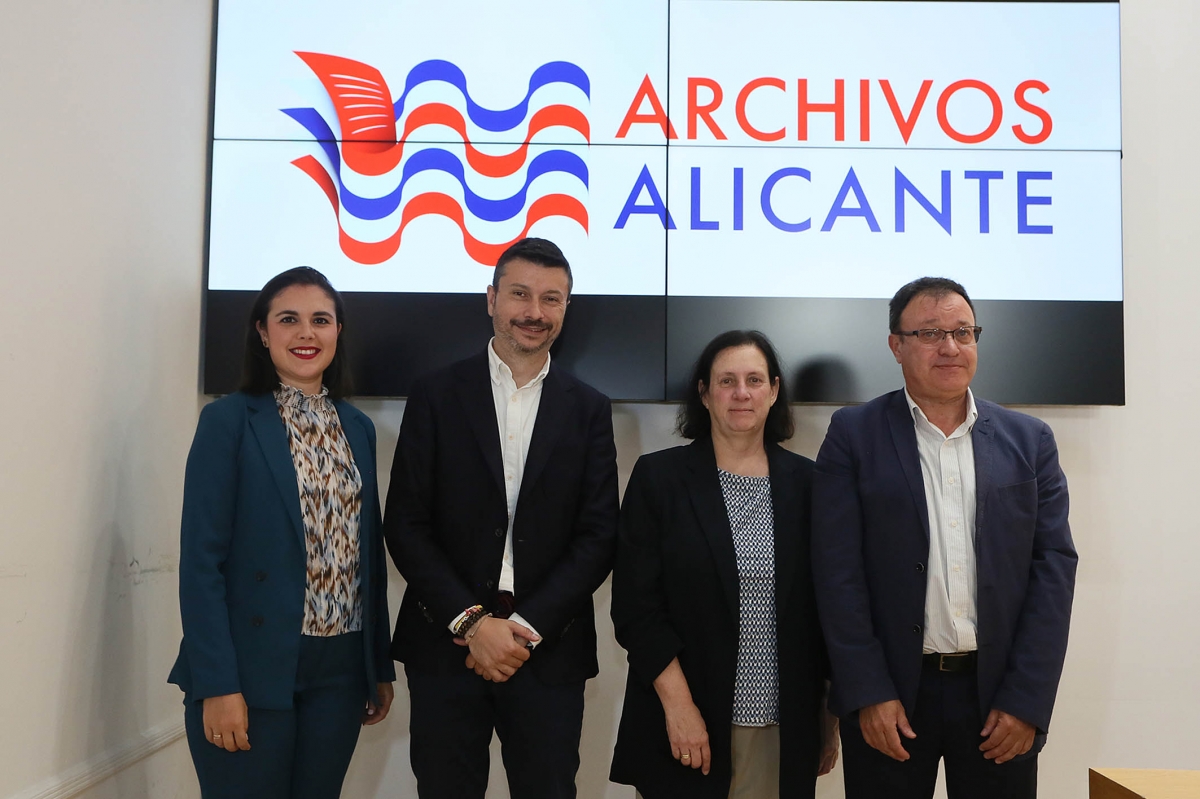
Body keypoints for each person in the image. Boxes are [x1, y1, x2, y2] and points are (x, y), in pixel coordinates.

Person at [812, 277, 1077, 799]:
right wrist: (867, 691)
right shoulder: (853, 434)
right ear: (897, 345)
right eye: (931, 333)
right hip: (890, 697)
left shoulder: (1030, 440)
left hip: (997, 698)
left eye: (963, 332)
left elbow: (1053, 571)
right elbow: (836, 573)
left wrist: (1026, 699)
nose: (951, 347)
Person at [384, 237, 619, 799]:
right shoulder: (435, 395)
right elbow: (406, 523)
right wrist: (472, 624)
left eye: (551, 299)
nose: (534, 312)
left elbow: (598, 535)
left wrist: (523, 630)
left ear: (566, 308)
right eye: (519, 294)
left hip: (548, 651)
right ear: (491, 299)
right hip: (445, 648)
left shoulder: (589, 409)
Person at [168, 267, 395, 799]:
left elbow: (367, 558)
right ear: (263, 332)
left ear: (338, 331)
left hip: (340, 673)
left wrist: (376, 665)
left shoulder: (358, 428)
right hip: (250, 667)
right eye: (288, 320)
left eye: (321, 320)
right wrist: (218, 683)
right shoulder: (227, 421)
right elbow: (201, 563)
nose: (306, 333)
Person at [610, 330, 839, 799]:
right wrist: (680, 708)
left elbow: (827, 611)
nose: (741, 393)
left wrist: (829, 717)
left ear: (773, 391)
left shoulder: (810, 484)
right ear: (704, 393)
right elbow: (636, 609)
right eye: (726, 381)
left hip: (783, 728)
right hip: (685, 727)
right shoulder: (659, 479)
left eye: (754, 380)